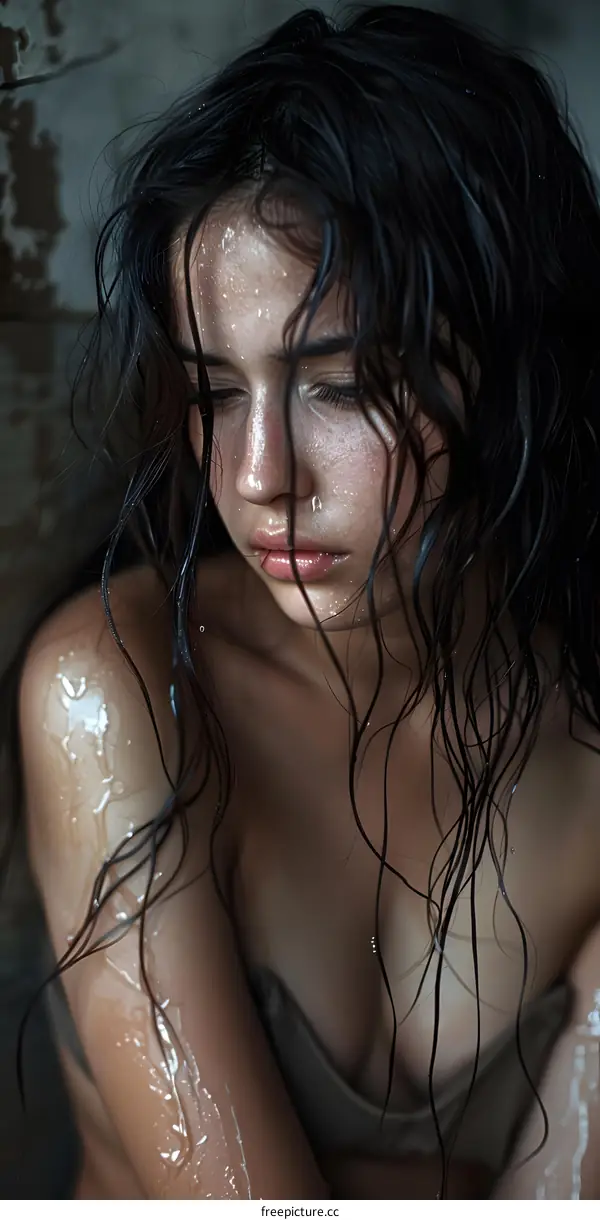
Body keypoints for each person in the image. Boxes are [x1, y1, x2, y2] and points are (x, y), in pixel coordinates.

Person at [13, 2, 600, 1200]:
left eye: (338, 386)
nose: (258, 475)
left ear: (510, 376)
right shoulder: (118, 689)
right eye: (220, 390)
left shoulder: (585, 732)